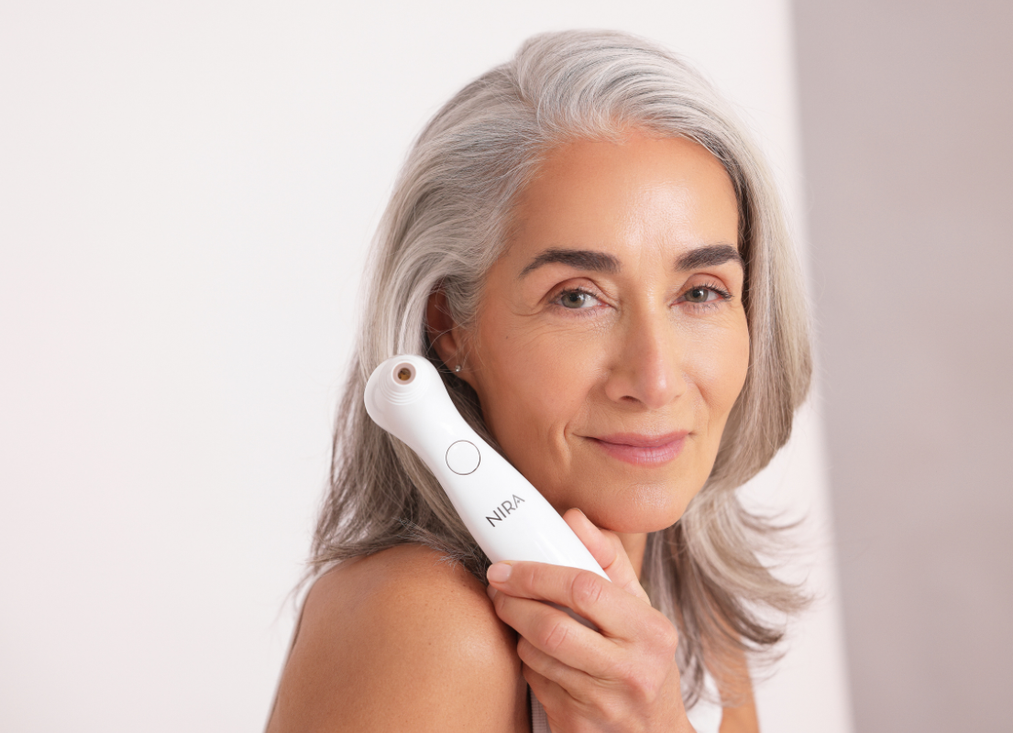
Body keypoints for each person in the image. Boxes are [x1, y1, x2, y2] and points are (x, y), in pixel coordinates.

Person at [267, 29, 811, 733]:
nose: (654, 380)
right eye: (577, 297)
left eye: (701, 292)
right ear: (450, 326)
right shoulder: (426, 625)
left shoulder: (687, 617)